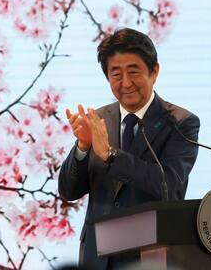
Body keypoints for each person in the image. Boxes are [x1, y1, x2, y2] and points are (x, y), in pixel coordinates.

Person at [58, 28, 200, 270]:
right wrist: (82, 148)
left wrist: (112, 156)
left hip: (151, 256)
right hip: (98, 258)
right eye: (116, 74)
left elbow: (167, 183)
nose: (125, 83)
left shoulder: (180, 123)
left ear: (154, 71)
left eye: (133, 72)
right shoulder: (99, 120)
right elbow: (69, 191)